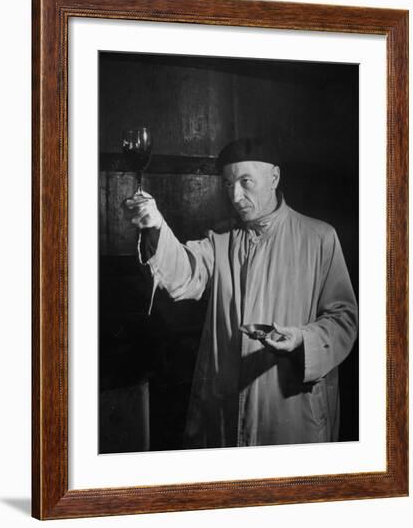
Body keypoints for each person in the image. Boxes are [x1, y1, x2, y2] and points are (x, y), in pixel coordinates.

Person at [124, 137, 358, 448]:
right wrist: (155, 226)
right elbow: (184, 273)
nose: (235, 195)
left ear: (274, 177)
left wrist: (302, 338)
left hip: (289, 404)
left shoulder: (319, 237)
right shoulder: (221, 238)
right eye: (228, 183)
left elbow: (344, 319)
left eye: (246, 181)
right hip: (227, 400)